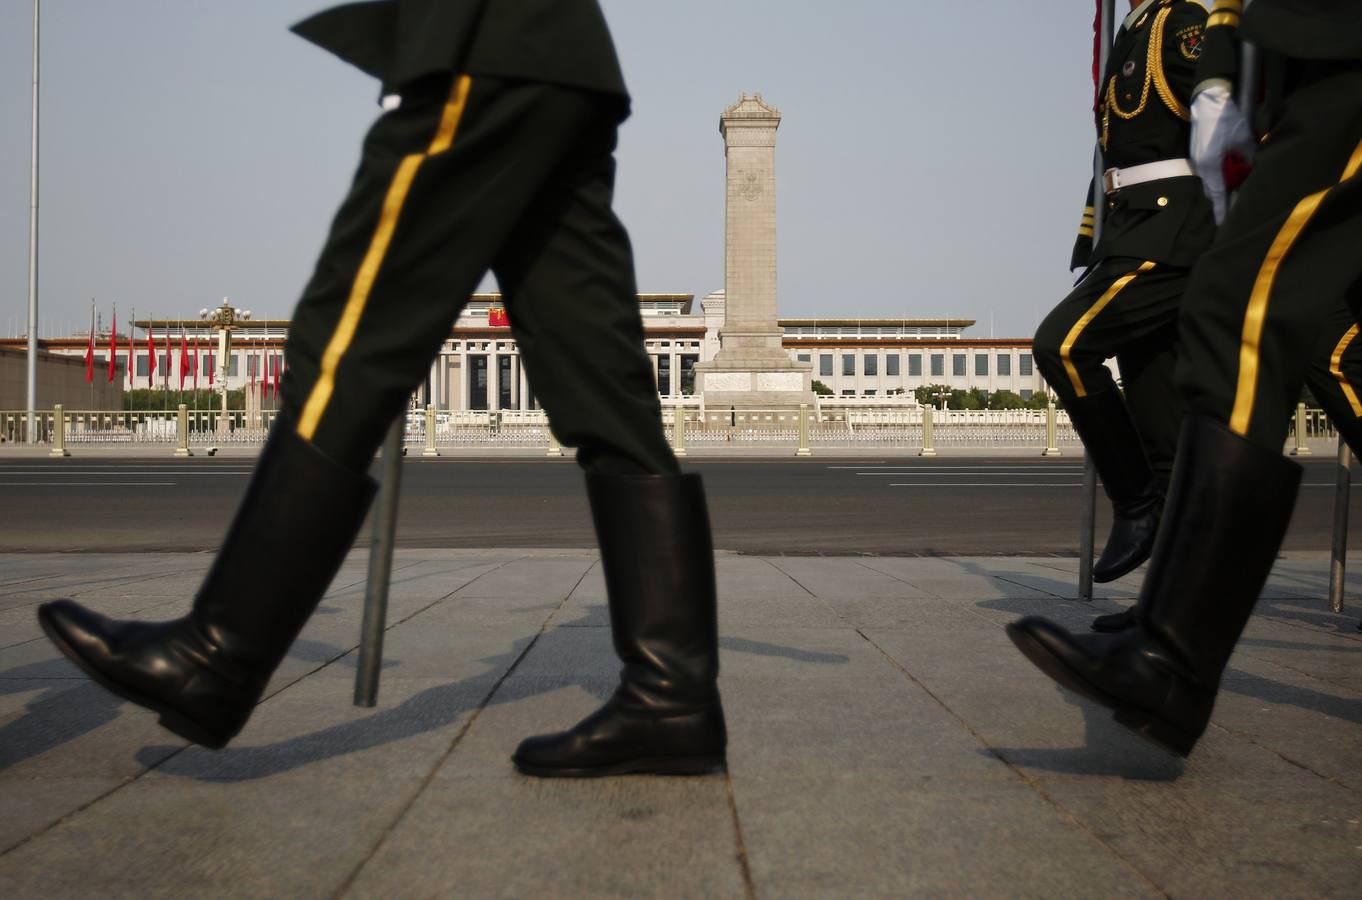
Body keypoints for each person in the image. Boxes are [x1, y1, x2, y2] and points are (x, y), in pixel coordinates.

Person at [35, 0, 727, 779]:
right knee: (601, 377)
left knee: (348, 337)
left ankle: (217, 652)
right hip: (562, 62)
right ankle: (673, 693)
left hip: (484, 44)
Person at [1007, 0, 1362, 757]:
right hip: (1312, 56)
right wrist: (1226, 73)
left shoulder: (1179, 20)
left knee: (1239, 313)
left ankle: (1171, 656)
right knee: (1225, 317)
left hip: (1339, 52)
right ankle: (1168, 651)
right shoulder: (1156, 26)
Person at [1033, 0, 1214, 591]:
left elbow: (1235, 123)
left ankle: (1134, 503)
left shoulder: (1183, 22)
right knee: (1161, 430)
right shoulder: (1134, 33)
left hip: (1174, 233)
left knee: (1062, 346)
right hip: (1135, 230)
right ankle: (1161, 612)